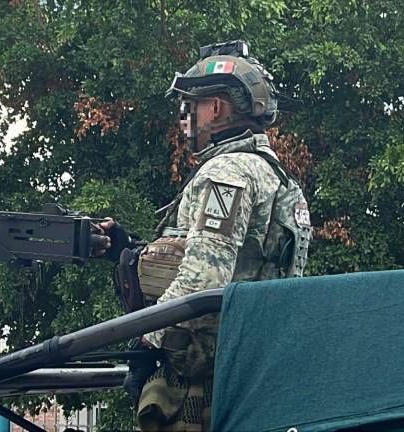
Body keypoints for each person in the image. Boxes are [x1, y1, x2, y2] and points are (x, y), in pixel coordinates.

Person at [96, 40, 312, 431]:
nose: (184, 119)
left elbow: (207, 275)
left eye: (189, 108)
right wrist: (130, 253)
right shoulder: (274, 173)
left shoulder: (226, 173)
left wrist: (148, 335)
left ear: (215, 108)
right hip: (254, 361)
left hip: (211, 379)